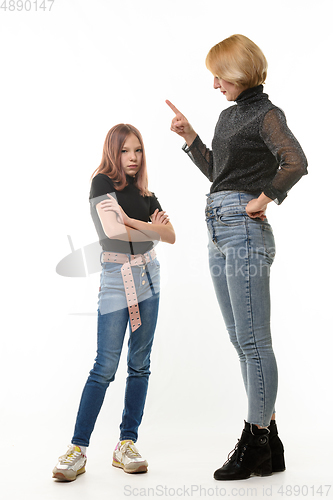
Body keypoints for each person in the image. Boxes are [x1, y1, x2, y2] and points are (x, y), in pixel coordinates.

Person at [166, 34, 307, 481]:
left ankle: (255, 441)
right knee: (239, 340)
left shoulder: (267, 114)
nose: (214, 84)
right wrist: (191, 138)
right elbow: (219, 174)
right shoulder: (229, 116)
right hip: (218, 227)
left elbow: (295, 161)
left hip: (243, 229)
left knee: (254, 342)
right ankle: (271, 441)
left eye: (219, 75)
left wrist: (265, 198)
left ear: (240, 71)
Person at [52, 124, 175, 481]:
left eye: (138, 150)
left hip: (148, 278)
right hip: (116, 279)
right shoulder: (102, 184)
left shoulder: (148, 195)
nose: (133, 158)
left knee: (140, 364)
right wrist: (149, 228)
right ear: (113, 152)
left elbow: (172, 235)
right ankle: (77, 448)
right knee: (104, 365)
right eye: (125, 151)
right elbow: (113, 233)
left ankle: (126, 444)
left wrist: (133, 221)